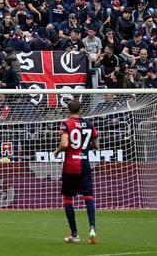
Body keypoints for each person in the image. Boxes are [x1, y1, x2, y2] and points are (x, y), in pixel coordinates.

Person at [53, 99, 98, 245]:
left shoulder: (66, 123)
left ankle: (74, 234)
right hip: (85, 164)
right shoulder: (89, 124)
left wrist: (57, 151)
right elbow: (96, 145)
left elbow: (65, 144)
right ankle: (92, 229)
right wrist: (85, 148)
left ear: (68, 109)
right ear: (81, 109)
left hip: (71, 165)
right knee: (88, 197)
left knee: (68, 199)